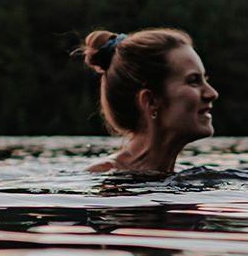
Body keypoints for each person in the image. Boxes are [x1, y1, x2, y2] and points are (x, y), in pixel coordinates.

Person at [79, 27, 218, 174]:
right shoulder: (105, 177)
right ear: (150, 101)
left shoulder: (179, 174)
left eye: (205, 79)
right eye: (193, 81)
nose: (212, 93)